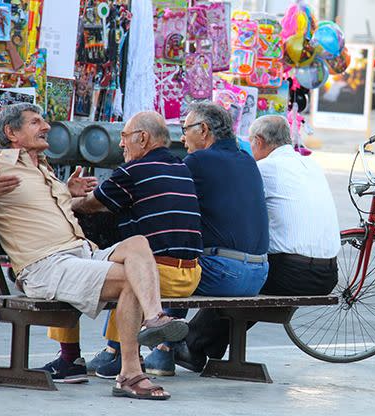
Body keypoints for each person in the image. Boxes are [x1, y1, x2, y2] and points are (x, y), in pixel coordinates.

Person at [0, 103, 186, 400]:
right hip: (44, 266)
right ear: (11, 132)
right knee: (130, 277)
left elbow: (44, 208)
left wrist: (67, 192)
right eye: (35, 122)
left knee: (138, 244)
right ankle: (130, 373)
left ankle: (155, 319)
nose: (46, 127)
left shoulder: (44, 169)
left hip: (81, 254)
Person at [46, 111, 203, 379]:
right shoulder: (181, 168)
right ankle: (115, 351)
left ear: (143, 138)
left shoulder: (134, 171)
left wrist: (60, 201)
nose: (121, 144)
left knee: (68, 272)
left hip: (159, 273)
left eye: (124, 136)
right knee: (125, 264)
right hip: (191, 275)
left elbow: (89, 205)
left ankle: (71, 357)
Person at [168, 102, 269, 373]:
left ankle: (131, 351)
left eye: (185, 129)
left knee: (158, 268)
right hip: (259, 274)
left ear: (203, 130)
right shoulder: (246, 159)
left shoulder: (198, 161)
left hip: (227, 273)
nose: (181, 137)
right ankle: (173, 346)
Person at [249, 115, 340, 296]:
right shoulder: (311, 165)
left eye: (250, 143)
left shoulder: (265, 167)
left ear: (259, 141)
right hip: (328, 276)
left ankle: (195, 325)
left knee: (231, 275)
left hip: (290, 274)